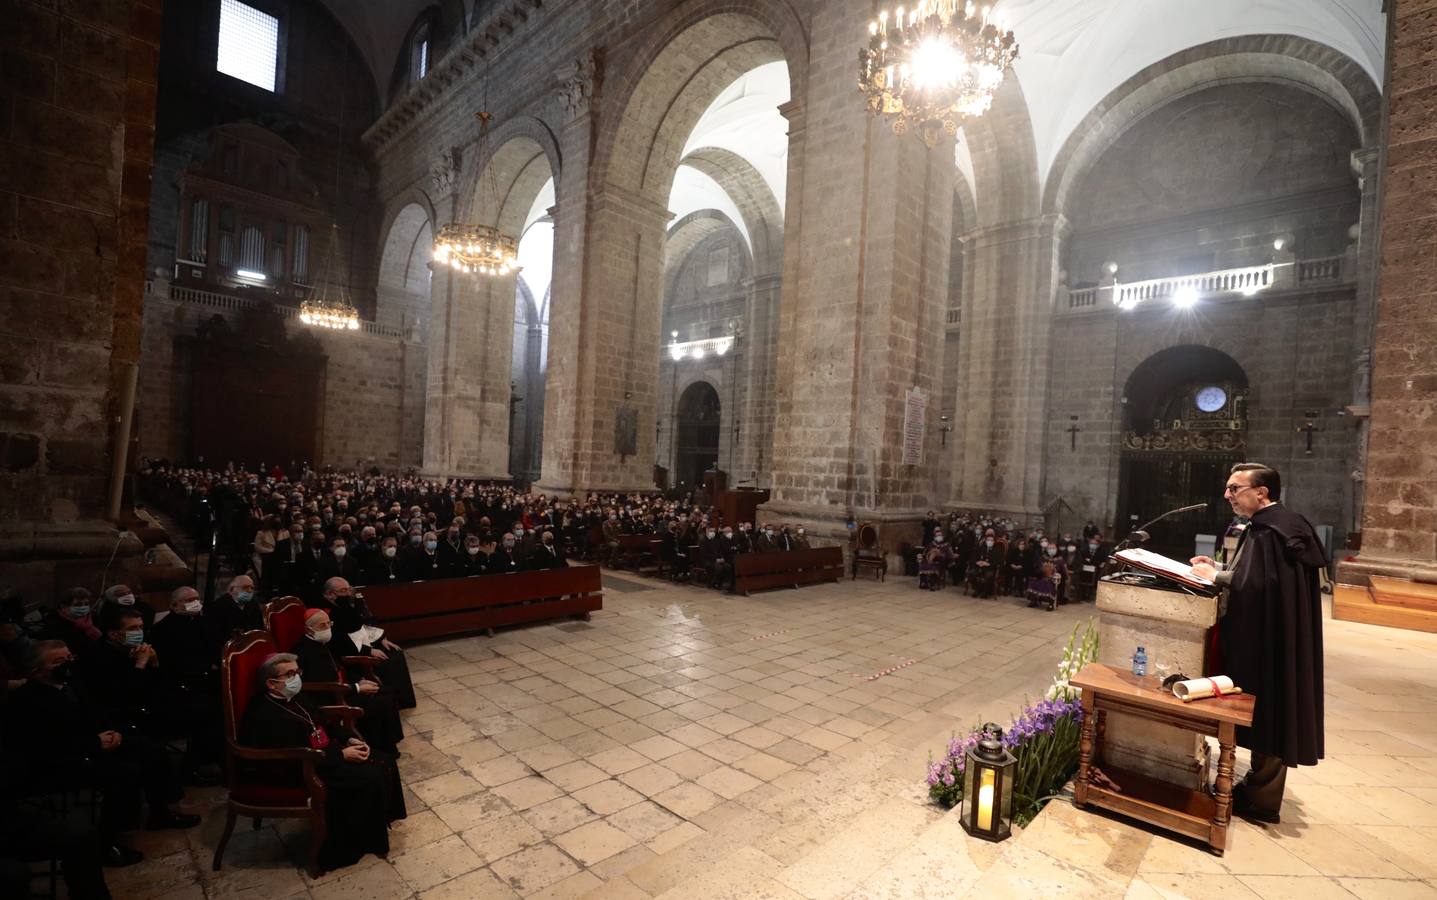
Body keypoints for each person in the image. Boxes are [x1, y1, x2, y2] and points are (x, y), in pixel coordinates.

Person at [1190, 463, 1326, 824]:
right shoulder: (1271, 526)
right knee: (1267, 708)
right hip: (1268, 633)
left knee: (1271, 709)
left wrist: (1214, 575)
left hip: (1270, 640)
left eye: (1235, 488)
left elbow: (1259, 585)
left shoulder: (1272, 531)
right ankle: (1258, 788)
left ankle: (1262, 800)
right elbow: (1257, 574)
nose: (1228, 495)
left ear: (1261, 493)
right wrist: (1219, 565)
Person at [9, 641, 200, 866]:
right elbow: (46, 744)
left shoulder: (73, 684)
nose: (67, 664)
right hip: (61, 761)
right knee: (123, 774)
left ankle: (161, 812)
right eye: (58, 662)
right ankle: (110, 840)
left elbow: (97, 712)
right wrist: (94, 742)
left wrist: (114, 733)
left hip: (94, 743)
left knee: (150, 750)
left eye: (69, 658)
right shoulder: (26, 701)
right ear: (36, 670)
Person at [237, 652, 405, 870]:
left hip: (321, 754)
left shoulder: (294, 697)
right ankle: (354, 844)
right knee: (368, 775)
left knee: (385, 760)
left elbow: (322, 721)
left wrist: (348, 737)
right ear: (271, 683)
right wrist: (341, 755)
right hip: (294, 768)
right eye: (289, 674)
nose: (296, 677)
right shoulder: (264, 714)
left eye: (297, 671)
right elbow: (290, 753)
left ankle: (375, 828)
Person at [288, 608, 404, 756]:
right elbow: (321, 684)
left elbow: (338, 667)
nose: (328, 628)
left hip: (343, 687)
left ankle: (391, 741)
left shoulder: (323, 642)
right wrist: (356, 688)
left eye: (329, 623)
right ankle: (381, 749)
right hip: (331, 696)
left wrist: (360, 680)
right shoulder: (303, 651)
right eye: (322, 626)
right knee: (379, 703)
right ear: (308, 630)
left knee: (387, 691)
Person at [318, 579, 416, 709]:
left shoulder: (343, 605)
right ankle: (396, 700)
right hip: (350, 656)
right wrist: (368, 651)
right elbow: (339, 642)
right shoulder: (327, 613)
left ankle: (402, 700)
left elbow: (359, 626)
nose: (348, 593)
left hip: (360, 645)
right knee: (391, 661)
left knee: (395, 652)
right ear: (330, 594)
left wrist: (380, 638)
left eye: (349, 589)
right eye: (343, 591)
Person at [207, 574, 262, 638]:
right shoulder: (217, 606)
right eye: (245, 587)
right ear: (231, 589)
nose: (249, 590)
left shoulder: (253, 605)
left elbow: (259, 629)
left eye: (252, 588)